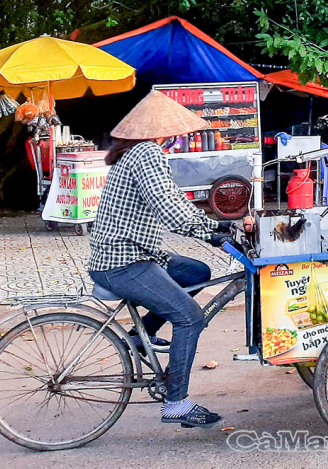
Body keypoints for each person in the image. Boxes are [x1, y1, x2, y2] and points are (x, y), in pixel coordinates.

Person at [87, 90, 231, 428]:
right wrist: (212, 232)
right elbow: (172, 212)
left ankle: (141, 335)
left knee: (197, 271)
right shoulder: (147, 153)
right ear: (165, 129)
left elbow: (172, 200)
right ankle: (176, 403)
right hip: (124, 263)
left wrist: (215, 225)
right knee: (190, 318)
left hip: (131, 254)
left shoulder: (134, 152)